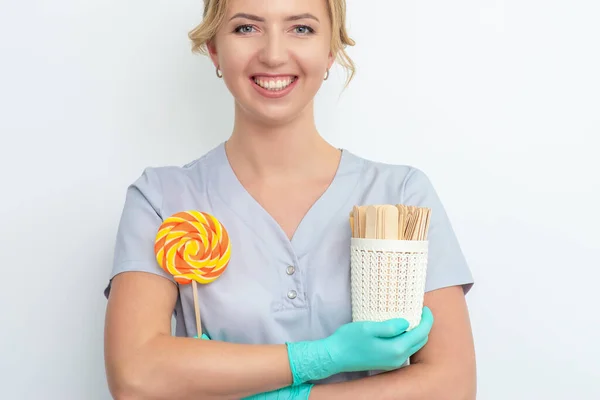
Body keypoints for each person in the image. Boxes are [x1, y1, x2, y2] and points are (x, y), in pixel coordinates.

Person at [103, 0, 477, 398]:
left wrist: (291, 396)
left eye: (301, 29)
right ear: (214, 48)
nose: (274, 54)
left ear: (330, 48)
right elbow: (136, 376)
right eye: (247, 28)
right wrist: (319, 358)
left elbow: (452, 386)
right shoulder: (161, 199)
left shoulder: (401, 197)